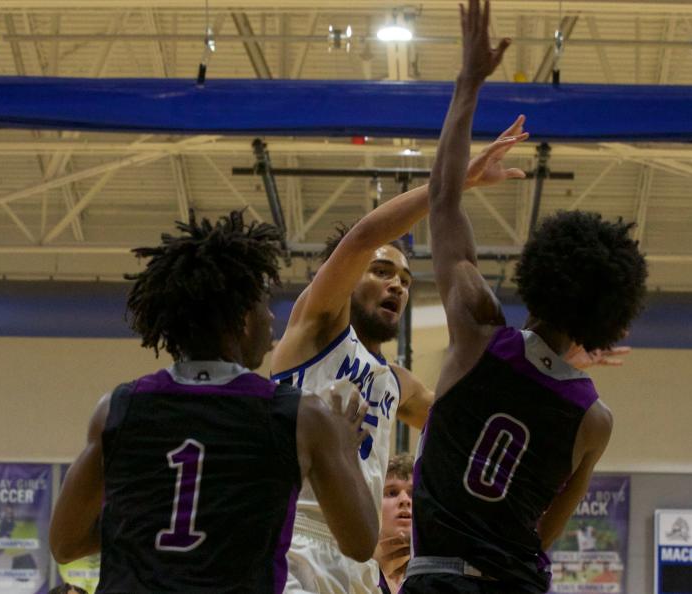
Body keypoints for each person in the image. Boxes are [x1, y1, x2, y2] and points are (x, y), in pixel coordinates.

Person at [401, 2, 648, 593]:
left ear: (540, 269)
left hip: (438, 578)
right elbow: (542, 535)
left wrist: (469, 84)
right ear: (608, 319)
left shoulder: (477, 326)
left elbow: (441, 201)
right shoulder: (594, 418)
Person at [270, 103, 530, 593]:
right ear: (345, 279)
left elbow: (471, 425)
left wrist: (555, 356)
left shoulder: (397, 382)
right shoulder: (316, 324)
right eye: (382, 272)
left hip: (359, 558)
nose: (397, 286)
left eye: (406, 280)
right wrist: (451, 185)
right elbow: (364, 236)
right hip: (295, 542)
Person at [50, 210, 378, 594]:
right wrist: (349, 449)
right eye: (263, 304)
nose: (271, 316)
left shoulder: (118, 408)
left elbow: (65, 543)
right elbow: (360, 543)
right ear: (241, 319)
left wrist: (144, 529)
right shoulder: (299, 415)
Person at [374, 454, 414, 594]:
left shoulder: (431, 578)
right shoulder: (355, 570)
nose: (405, 500)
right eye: (392, 493)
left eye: (413, 493)